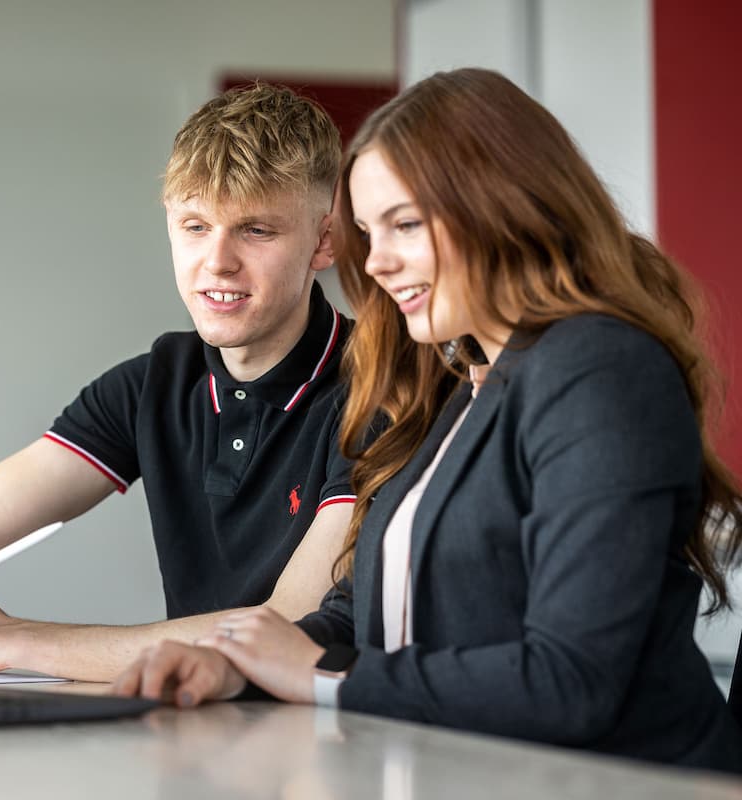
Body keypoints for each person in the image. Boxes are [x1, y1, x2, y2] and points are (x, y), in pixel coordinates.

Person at [111, 67, 742, 772]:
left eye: (404, 224)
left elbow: (572, 682)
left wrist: (321, 674)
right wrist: (240, 660)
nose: (376, 263)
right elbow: (367, 609)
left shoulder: (601, 372)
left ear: (502, 206)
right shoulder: (471, 381)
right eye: (367, 232)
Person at [0, 83, 358, 682]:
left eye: (256, 231)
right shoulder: (152, 385)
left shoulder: (379, 389)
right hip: (192, 730)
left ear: (325, 239)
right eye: (194, 225)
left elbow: (285, 627)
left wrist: (11, 641)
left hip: (332, 743)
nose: (217, 261)